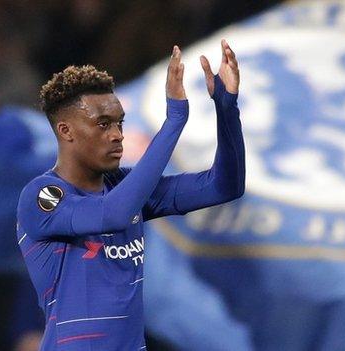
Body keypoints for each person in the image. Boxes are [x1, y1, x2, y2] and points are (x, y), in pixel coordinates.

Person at [16, 39, 244, 350]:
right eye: (103, 124)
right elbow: (112, 215)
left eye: (120, 123)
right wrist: (174, 120)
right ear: (66, 131)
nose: (117, 135)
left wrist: (226, 107)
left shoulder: (124, 188)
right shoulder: (42, 196)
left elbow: (223, 186)